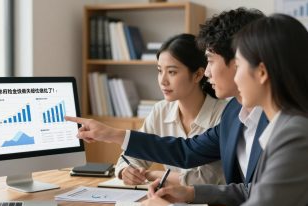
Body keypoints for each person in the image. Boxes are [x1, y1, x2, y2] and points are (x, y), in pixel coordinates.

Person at [134, 14, 308, 206]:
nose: (235, 76)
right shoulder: (285, 126)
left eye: (240, 66)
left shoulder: (295, 135)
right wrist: (190, 192)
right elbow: (255, 191)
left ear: (262, 72)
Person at [65, 8, 268, 186]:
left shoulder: (269, 121)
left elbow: (216, 183)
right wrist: (112, 136)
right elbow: (185, 152)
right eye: (159, 71)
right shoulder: (236, 113)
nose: (207, 73)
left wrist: (155, 177)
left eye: (172, 72)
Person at [116, 33, 227, 186]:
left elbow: (209, 179)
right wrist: (125, 171)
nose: (163, 81)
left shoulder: (224, 114)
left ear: (198, 75)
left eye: (172, 72)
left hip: (214, 205)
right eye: (160, 70)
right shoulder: (160, 110)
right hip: (170, 200)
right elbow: (132, 155)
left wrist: (151, 174)